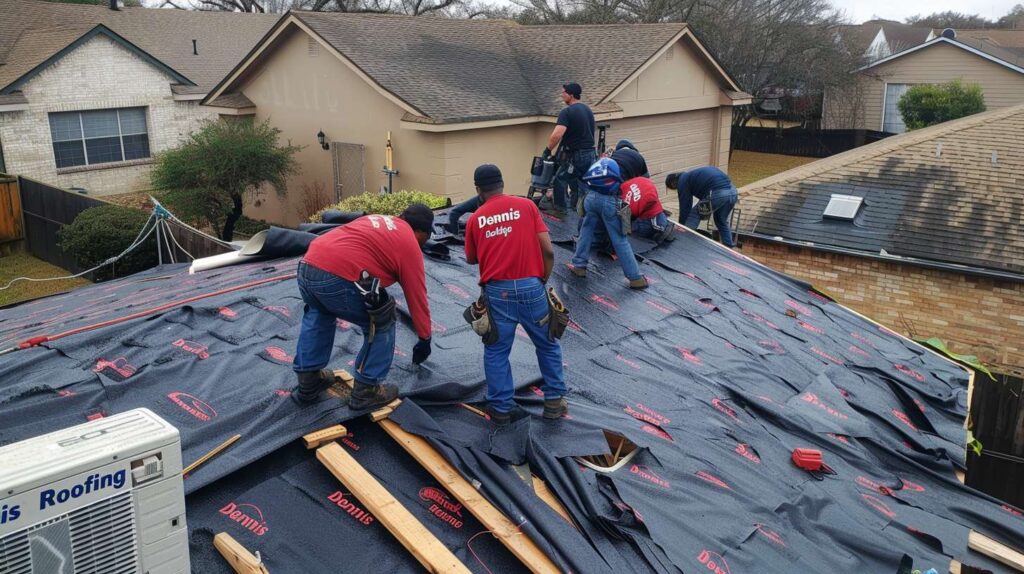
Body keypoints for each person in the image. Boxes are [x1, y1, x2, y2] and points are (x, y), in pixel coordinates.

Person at [292, 205, 435, 409]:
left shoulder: (376, 219)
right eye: (426, 237)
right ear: (420, 231)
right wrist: (425, 338)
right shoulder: (409, 242)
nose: (424, 242)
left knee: (319, 312)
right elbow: (417, 295)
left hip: (307, 266)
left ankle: (308, 381)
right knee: (381, 320)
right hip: (337, 276)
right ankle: (366, 391)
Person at [463, 164, 567, 425]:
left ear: (478, 189)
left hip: (498, 293)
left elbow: (471, 258)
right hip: (532, 287)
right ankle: (554, 402)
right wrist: (542, 279)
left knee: (496, 350)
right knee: (548, 343)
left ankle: (501, 408)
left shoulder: (476, 218)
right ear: (502, 184)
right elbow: (548, 250)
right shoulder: (526, 206)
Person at [569, 158, 648, 289]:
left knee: (586, 232)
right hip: (609, 201)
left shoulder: (606, 162)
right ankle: (635, 278)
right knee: (620, 240)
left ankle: (579, 266)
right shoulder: (629, 165)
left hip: (591, 197)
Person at [542, 82, 596, 217]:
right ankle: (580, 210)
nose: (562, 95)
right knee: (582, 183)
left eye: (564, 93)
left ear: (571, 95)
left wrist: (547, 150)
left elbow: (557, 135)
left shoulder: (567, 112)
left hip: (575, 155)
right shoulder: (587, 110)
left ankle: (560, 210)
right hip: (590, 154)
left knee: (559, 180)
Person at [665, 166, 739, 248]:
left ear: (673, 183)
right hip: (733, 192)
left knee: (693, 215)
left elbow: (685, 206)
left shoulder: (682, 180)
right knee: (721, 220)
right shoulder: (690, 175)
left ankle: (683, 243)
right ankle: (729, 246)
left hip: (719, 192)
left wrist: (681, 225)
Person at [621, 175, 674, 243]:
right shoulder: (631, 183)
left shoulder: (624, 206)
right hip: (653, 206)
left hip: (647, 218)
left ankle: (662, 229)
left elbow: (626, 228)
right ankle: (663, 226)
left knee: (634, 233)